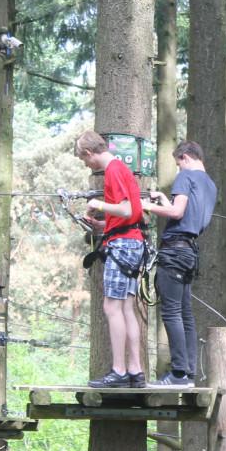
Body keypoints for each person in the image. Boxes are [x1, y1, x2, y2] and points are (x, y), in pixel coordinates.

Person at [75, 130, 147, 388]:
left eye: (84, 160)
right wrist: (101, 223)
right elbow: (129, 214)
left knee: (111, 308)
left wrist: (98, 203)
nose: (86, 165)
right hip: (131, 240)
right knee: (126, 308)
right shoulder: (121, 169)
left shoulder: (114, 170)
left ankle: (118, 371)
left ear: (89, 153)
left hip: (123, 245)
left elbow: (126, 209)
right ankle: (135, 372)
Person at [142, 140, 217, 387]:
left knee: (172, 312)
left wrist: (147, 206)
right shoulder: (210, 184)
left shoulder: (185, 176)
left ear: (185, 157)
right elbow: (186, 213)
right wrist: (165, 200)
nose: (178, 167)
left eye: (177, 163)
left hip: (174, 252)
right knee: (185, 314)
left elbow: (177, 214)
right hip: (188, 252)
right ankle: (188, 374)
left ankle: (177, 373)